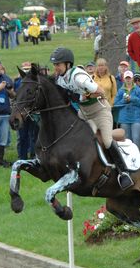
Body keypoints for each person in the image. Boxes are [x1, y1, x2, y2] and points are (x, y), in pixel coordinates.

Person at [50, 47, 134, 189]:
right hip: (84, 113)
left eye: (58, 64)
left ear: (67, 64)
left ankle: (123, 172)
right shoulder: (60, 79)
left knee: (107, 141)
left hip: (100, 111)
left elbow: (100, 92)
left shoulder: (79, 77)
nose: (56, 67)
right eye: (55, 65)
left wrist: (82, 96)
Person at [13, 62, 39, 160]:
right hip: (21, 113)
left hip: (32, 112)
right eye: (25, 69)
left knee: (34, 135)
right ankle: (22, 158)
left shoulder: (34, 81)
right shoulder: (17, 82)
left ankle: (33, 156)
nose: (26, 71)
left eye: (28, 69)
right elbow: (16, 96)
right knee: (22, 137)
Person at [114, 70, 140, 147]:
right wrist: (124, 100)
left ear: (132, 79)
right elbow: (116, 104)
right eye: (126, 78)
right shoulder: (120, 91)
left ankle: (138, 154)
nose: (128, 80)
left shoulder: (138, 89)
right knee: (126, 139)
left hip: (136, 117)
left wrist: (132, 99)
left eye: (129, 78)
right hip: (124, 118)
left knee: (136, 138)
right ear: (124, 79)